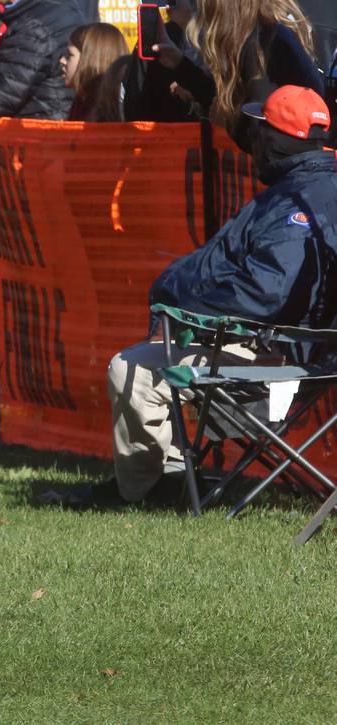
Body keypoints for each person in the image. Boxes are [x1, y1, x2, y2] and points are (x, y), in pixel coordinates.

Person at [67, 85, 337, 508]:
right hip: (285, 350)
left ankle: (141, 494)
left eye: (260, 129)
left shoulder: (298, 206)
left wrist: (184, 310)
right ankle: (170, 479)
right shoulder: (306, 189)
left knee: (129, 370)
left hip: (281, 366)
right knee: (157, 356)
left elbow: (266, 292)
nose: (253, 139)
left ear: (272, 140)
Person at [150, 0, 323, 151]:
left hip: (295, 178)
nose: (200, 7)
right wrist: (179, 63)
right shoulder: (253, 37)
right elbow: (223, 101)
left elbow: (264, 136)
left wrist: (228, 126)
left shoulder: (262, 43)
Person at [61, 22, 128, 121]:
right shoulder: (82, 101)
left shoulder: (103, 115)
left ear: (91, 58)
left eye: (69, 55)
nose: (62, 60)